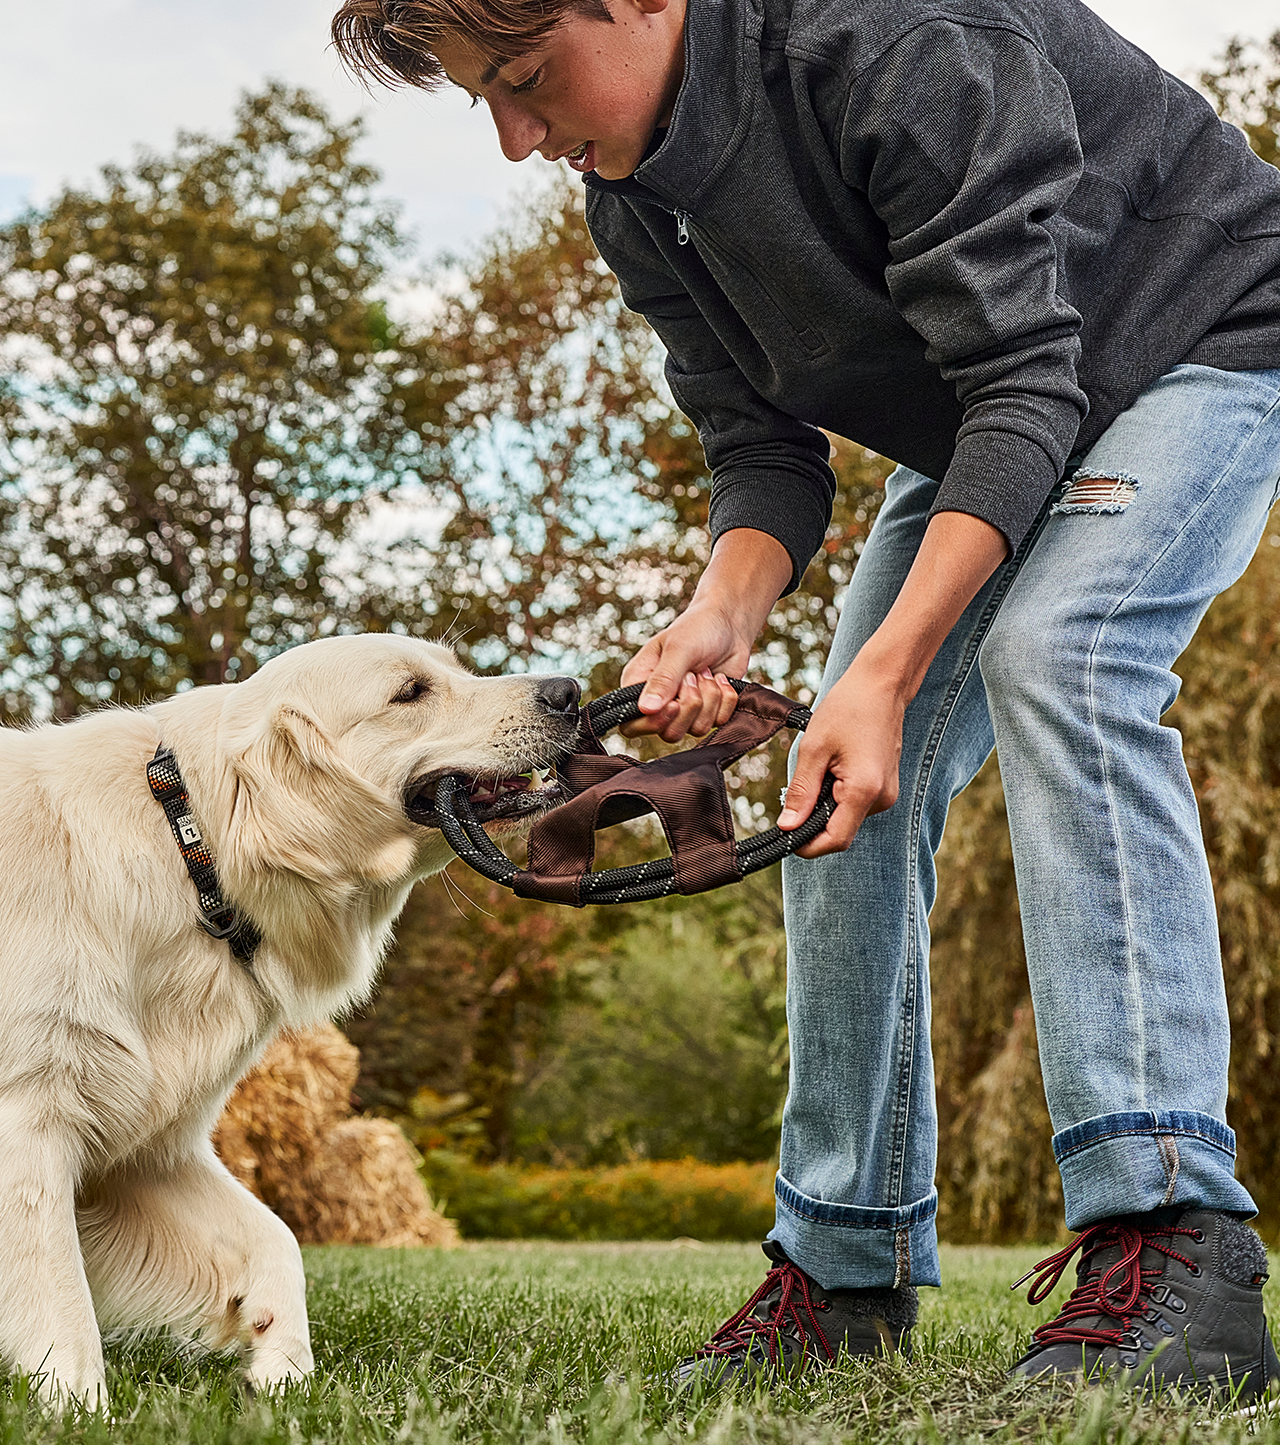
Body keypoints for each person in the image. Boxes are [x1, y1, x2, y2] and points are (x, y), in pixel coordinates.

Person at [331, 0, 1280, 1398]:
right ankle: (844, 1271)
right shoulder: (633, 193)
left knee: (1062, 660)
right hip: (988, 417)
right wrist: (718, 618)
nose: (517, 136)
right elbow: (761, 450)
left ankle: (1178, 1251)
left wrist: (884, 676)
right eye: (485, 98)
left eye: (527, 79)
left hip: (1195, 332)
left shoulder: (891, 39)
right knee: (830, 787)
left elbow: (1027, 374)